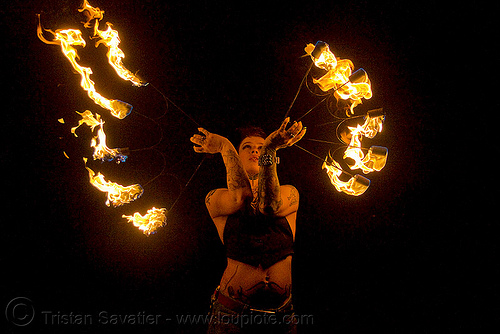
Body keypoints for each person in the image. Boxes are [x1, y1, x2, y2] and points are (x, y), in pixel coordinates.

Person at [190, 117, 306, 333]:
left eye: (261, 147)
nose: (255, 151)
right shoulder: (215, 198)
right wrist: (224, 145)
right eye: (247, 147)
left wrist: (270, 149)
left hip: (281, 317)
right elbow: (240, 197)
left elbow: (269, 206)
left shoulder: (290, 193)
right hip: (231, 316)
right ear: (236, 156)